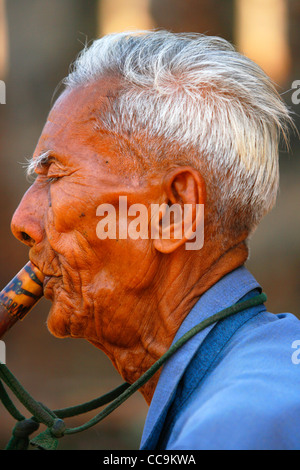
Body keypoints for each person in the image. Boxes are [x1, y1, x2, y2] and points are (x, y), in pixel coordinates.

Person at [10, 30, 300, 450]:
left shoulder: (237, 427)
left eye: (54, 175)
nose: (21, 221)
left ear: (174, 212)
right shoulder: (262, 372)